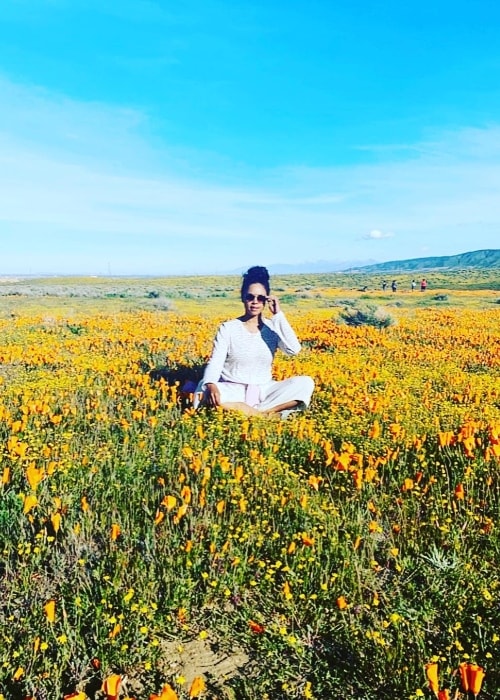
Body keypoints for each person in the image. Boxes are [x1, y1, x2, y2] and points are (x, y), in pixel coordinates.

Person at [194, 266, 314, 418]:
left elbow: (293, 350)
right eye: (250, 297)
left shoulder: (272, 327)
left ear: (267, 300)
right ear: (243, 297)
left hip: (264, 390)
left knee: (305, 383)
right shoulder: (228, 328)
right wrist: (211, 385)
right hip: (233, 389)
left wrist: (278, 315)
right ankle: (267, 415)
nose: (255, 302)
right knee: (202, 389)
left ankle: (252, 413)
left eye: (261, 298)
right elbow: (216, 362)